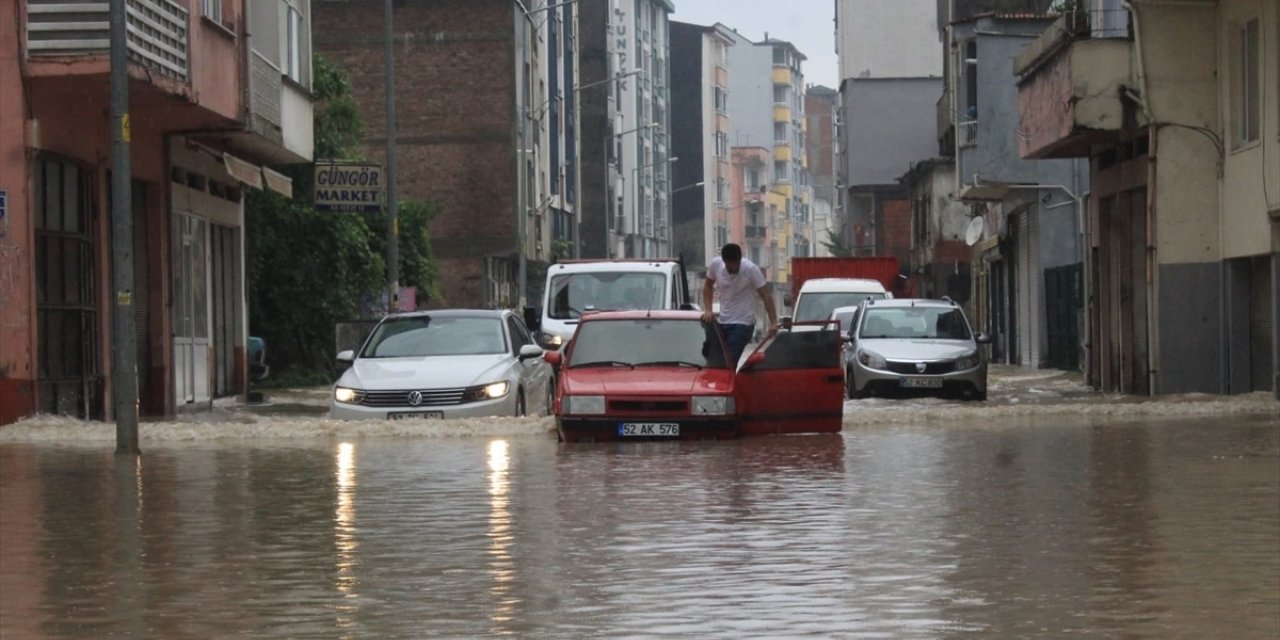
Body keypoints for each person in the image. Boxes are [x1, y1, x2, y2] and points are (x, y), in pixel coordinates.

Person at [701, 243, 778, 367]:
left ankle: (727, 383)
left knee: (728, 361)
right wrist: (708, 310)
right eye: (730, 267)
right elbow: (708, 286)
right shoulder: (716, 265)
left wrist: (773, 321)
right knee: (714, 359)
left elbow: (766, 295)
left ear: (740, 260)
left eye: (736, 265)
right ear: (724, 261)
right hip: (723, 321)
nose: (733, 269)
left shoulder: (750, 269)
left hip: (743, 324)